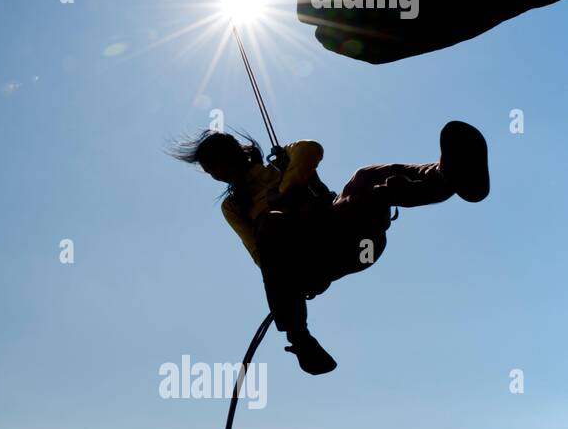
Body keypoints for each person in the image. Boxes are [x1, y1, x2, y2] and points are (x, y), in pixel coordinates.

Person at [172, 122, 490, 374]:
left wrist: (289, 185)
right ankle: (300, 338)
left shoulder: (282, 162)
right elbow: (260, 254)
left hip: (350, 233)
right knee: (271, 222)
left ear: (235, 153)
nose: (213, 172)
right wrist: (292, 281)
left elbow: (311, 148)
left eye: (214, 162)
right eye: (208, 168)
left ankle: (446, 176)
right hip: (315, 260)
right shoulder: (234, 206)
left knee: (366, 179)